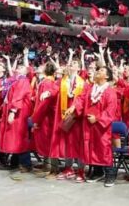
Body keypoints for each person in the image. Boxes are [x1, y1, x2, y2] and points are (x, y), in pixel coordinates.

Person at [72, 66, 118, 187]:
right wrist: (73, 107)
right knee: (91, 148)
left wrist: (97, 118)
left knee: (103, 148)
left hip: (101, 127)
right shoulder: (90, 88)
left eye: (102, 70)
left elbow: (111, 110)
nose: (98, 71)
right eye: (98, 70)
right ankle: (98, 172)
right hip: (88, 124)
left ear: (107, 76)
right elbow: (81, 99)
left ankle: (110, 174)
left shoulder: (110, 91)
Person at [50, 49, 86, 182]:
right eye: (71, 63)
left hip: (77, 117)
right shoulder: (62, 80)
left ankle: (81, 170)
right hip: (64, 115)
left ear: (79, 67)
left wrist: (75, 107)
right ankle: (68, 168)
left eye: (75, 63)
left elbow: (83, 98)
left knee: (78, 143)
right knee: (66, 143)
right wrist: (48, 93)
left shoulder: (83, 83)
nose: (72, 65)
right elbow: (54, 89)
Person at [0, 55, 33, 172]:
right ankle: (18, 162)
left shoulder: (23, 80)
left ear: (25, 71)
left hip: (19, 113)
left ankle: (26, 164)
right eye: (18, 67)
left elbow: (18, 97)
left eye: (21, 67)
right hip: (17, 111)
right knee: (17, 138)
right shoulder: (16, 80)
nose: (18, 68)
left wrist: (12, 112)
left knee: (20, 138)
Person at [31, 62, 59, 177]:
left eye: (42, 66)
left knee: (50, 143)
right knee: (48, 142)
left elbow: (44, 104)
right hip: (47, 116)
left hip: (46, 117)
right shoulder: (50, 81)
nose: (39, 66)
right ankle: (46, 165)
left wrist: (37, 120)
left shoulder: (46, 83)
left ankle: (53, 169)